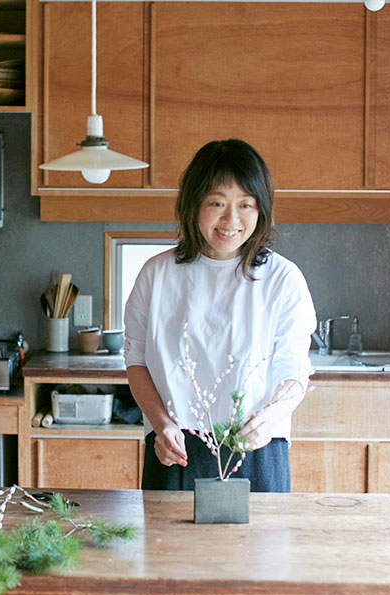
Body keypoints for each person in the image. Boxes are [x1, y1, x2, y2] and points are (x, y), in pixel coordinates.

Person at [122, 139, 317, 492]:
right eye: (217, 203)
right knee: (170, 532)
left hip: (257, 445)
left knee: (262, 532)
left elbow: (295, 372)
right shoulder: (156, 274)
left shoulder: (283, 279)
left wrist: (270, 419)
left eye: (246, 205)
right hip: (175, 446)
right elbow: (137, 361)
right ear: (193, 204)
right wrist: (161, 424)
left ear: (261, 210)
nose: (231, 220)